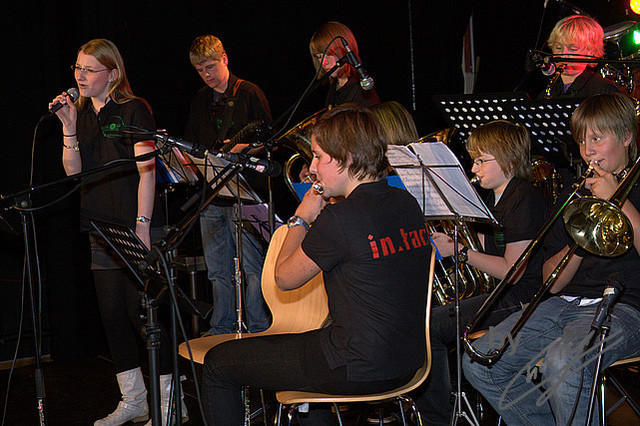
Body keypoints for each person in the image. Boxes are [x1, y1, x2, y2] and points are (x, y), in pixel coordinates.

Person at [200, 104, 431, 425]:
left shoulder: (340, 218)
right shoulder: (406, 203)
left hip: (357, 366)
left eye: (320, 156)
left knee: (217, 364)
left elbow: (284, 277)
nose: (312, 168)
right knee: (308, 362)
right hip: (407, 361)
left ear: (348, 158)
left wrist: (302, 217)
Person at [463, 93, 640, 425]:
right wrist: (579, 238)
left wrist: (620, 202)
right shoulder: (575, 191)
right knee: (480, 362)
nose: (587, 150)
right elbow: (551, 281)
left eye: (597, 138)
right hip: (563, 305)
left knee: (564, 360)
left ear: (626, 136)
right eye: (582, 140)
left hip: (625, 309)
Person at [49, 38, 186, 425]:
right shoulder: (79, 113)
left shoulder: (133, 109)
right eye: (77, 68)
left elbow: (147, 172)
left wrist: (143, 226)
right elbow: (73, 172)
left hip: (135, 224)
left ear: (112, 73)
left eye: (89, 69)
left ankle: (171, 402)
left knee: (144, 316)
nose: (80, 76)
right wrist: (69, 128)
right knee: (112, 315)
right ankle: (135, 400)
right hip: (99, 226)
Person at [410, 120, 547, 424]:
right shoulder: (499, 197)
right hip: (503, 293)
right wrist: (456, 238)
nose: (475, 167)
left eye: (483, 160)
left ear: (510, 160)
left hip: (521, 298)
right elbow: (492, 244)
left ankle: (439, 417)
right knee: (430, 314)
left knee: (431, 326)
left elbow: (513, 271)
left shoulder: (523, 198)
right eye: (474, 159)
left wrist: (461, 252)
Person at [184, 34, 272, 335]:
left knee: (252, 267)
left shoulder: (249, 93)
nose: (206, 75)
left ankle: (259, 327)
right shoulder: (199, 100)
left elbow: (269, 144)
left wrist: (243, 150)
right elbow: (194, 144)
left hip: (246, 194)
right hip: (211, 195)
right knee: (218, 271)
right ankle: (221, 327)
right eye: (199, 70)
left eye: (210, 66)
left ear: (224, 59)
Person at [541, 15, 622, 99]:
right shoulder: (548, 91)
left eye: (573, 49)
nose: (564, 54)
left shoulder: (604, 91)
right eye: (558, 47)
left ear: (591, 52)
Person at [309, 21, 380, 108]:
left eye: (329, 54)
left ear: (343, 51)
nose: (324, 62)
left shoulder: (362, 92)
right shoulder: (334, 88)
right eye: (319, 57)